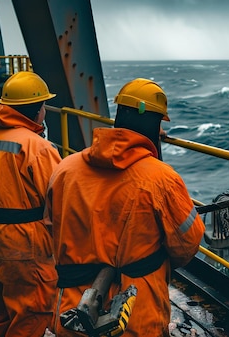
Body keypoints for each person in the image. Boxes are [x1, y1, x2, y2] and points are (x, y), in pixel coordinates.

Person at [46, 78, 205, 336]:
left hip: (72, 310)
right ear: (156, 126)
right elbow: (187, 245)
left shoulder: (65, 169)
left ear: (118, 115)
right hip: (134, 313)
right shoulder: (161, 179)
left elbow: (51, 228)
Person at [0, 71, 61, 336]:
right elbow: (58, 197)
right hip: (27, 244)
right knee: (31, 314)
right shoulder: (38, 147)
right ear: (38, 109)